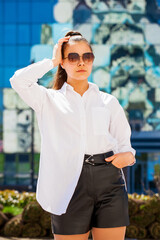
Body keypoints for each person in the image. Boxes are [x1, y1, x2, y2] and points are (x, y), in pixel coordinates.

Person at [9, 30, 136, 240]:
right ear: (63, 62)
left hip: (109, 181)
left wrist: (128, 157)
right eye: (73, 57)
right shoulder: (47, 100)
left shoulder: (108, 102)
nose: (81, 62)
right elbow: (18, 81)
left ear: (93, 60)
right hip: (69, 184)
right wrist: (51, 61)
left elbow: (126, 146)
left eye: (87, 56)